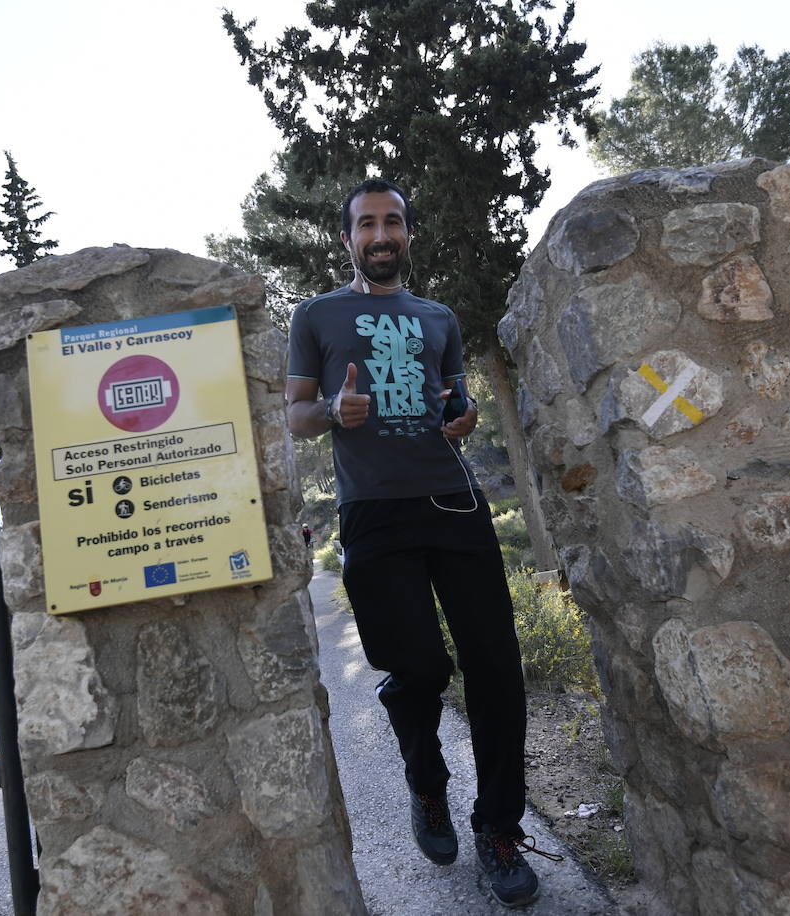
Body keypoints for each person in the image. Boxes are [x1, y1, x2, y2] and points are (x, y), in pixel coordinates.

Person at [285, 178, 556, 908]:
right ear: (346, 239)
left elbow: (456, 398)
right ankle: (427, 782)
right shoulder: (316, 315)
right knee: (419, 666)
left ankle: (498, 828)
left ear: (407, 233)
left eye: (393, 222)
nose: (381, 235)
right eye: (367, 224)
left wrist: (463, 414)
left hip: (453, 503)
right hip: (372, 513)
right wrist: (335, 411)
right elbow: (297, 416)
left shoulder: (438, 317)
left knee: (496, 667)